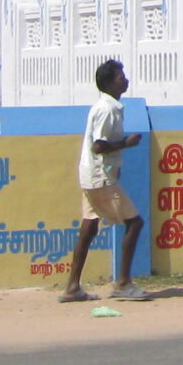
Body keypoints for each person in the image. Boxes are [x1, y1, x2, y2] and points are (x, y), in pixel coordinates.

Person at [64, 58, 146, 303]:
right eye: (121, 78)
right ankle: (122, 283)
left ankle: (72, 287)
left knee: (89, 228)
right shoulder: (107, 109)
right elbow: (99, 145)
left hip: (92, 175)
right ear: (110, 83)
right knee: (135, 223)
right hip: (101, 177)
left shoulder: (106, 106)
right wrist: (126, 144)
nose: (126, 80)